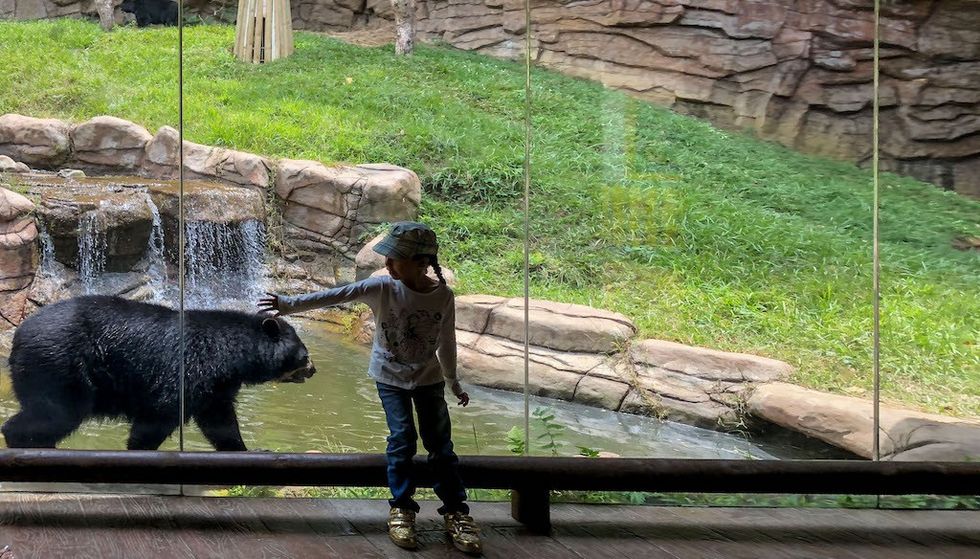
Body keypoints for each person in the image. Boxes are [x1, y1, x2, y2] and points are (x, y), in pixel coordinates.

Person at [258, 221, 482, 555]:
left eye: (395, 259)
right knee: (402, 437)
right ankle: (402, 508)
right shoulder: (382, 288)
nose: (388, 264)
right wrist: (289, 304)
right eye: (388, 258)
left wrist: (453, 381)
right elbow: (337, 294)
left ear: (422, 263)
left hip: (429, 379)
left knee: (440, 445)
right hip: (389, 377)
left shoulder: (443, 296)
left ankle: (456, 512)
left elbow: (446, 341)